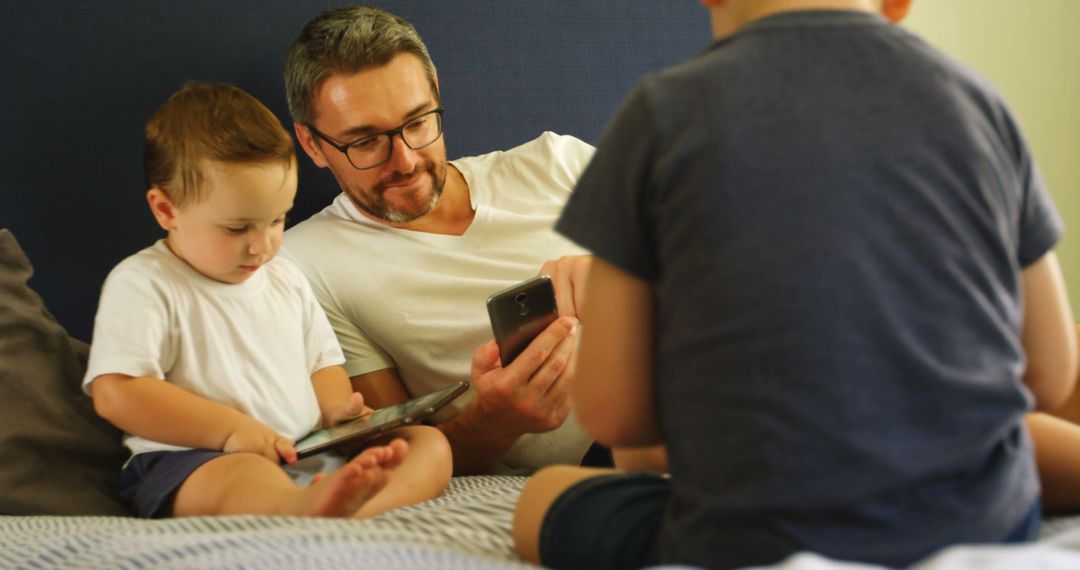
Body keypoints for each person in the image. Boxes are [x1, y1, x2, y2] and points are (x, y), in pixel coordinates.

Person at [512, 0, 1079, 568]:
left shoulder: (658, 115)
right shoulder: (979, 103)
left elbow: (615, 415)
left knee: (540, 498)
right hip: (989, 524)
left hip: (751, 538)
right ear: (899, 2)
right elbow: (1051, 373)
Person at [83, 82, 452, 519]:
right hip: (195, 460)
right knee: (241, 477)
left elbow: (322, 364)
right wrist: (230, 432)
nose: (262, 246)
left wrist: (339, 411)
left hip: (304, 450)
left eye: (276, 220)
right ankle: (297, 507)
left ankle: (353, 508)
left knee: (430, 444)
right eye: (238, 229)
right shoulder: (145, 283)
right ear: (166, 211)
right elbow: (117, 394)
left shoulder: (285, 277)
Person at [282, 5, 596, 475]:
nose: (405, 161)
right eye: (365, 142)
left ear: (436, 93)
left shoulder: (557, 163)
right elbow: (394, 454)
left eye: (417, 122)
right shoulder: (305, 265)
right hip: (606, 459)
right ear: (312, 145)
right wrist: (494, 421)